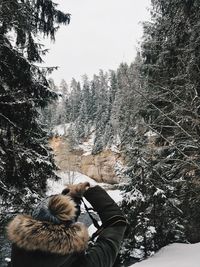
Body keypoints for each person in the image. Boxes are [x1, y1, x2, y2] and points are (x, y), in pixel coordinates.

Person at [7, 182, 127, 267]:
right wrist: (91, 191)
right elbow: (117, 223)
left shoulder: (18, 250)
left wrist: (71, 199)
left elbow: (57, 227)